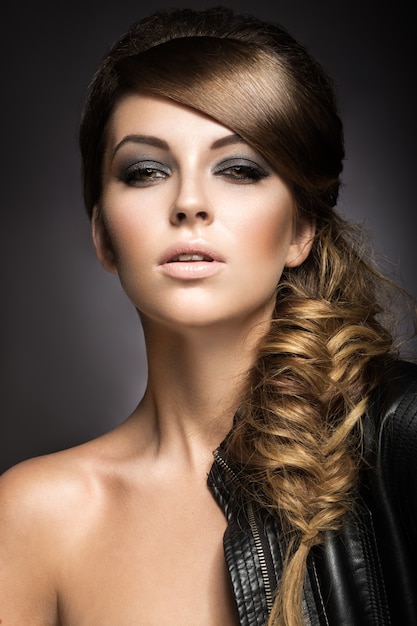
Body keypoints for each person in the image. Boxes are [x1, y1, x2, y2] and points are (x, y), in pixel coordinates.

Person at [0, 5, 416, 626]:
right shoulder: (34, 516)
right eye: (146, 170)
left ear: (301, 229)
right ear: (104, 236)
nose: (190, 202)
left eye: (239, 169)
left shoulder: (401, 440)